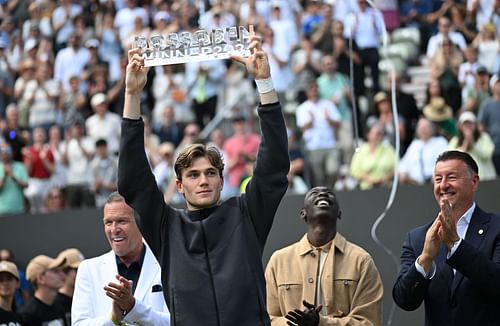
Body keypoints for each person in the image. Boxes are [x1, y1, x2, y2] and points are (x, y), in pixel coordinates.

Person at [118, 30, 289, 325]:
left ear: (222, 181)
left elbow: (273, 166)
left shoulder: (246, 215)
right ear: (180, 186)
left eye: (211, 173)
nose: (204, 180)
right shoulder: (166, 227)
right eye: (194, 175)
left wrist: (265, 83)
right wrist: (132, 95)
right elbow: (133, 179)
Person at [392, 150, 500, 326]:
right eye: (437, 179)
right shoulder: (418, 238)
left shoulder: (496, 228)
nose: (443, 185)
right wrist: (425, 258)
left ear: (474, 182)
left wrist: (455, 246)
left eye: (451, 177)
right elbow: (404, 300)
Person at [265, 186, 383, 325]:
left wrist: (321, 322)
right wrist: (297, 323)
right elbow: (266, 319)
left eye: (329, 193)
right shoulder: (279, 261)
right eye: (314, 193)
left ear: (339, 213)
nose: (322, 194)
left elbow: (369, 322)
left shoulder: (361, 260)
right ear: (303, 213)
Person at [72, 192, 170, 325]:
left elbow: (177, 321)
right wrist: (112, 318)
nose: (114, 229)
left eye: (122, 221)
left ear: (141, 222)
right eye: (108, 222)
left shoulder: (167, 264)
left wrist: (133, 307)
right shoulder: (88, 269)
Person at [20, 254, 67, 326]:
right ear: (41, 279)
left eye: (61, 270)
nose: (63, 275)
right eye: (56, 271)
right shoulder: (29, 314)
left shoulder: (59, 308)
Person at [53, 248, 84, 325]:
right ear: (63, 272)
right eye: (77, 270)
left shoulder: (84, 298)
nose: (82, 274)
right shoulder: (55, 303)